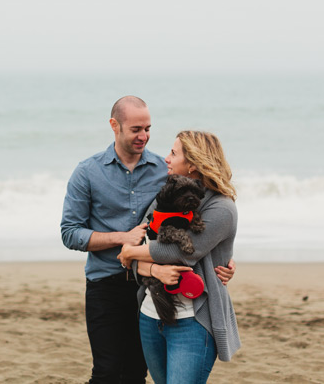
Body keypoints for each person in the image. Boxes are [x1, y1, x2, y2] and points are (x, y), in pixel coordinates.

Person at [60, 97, 235, 384]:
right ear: (114, 126)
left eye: (148, 128)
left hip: (149, 289)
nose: (143, 136)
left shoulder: (164, 171)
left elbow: (196, 225)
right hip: (106, 284)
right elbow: (70, 233)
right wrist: (124, 241)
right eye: (136, 129)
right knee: (105, 372)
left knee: (134, 375)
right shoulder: (87, 172)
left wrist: (223, 258)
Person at [117, 130, 240, 384]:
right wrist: (152, 269)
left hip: (192, 323)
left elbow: (182, 253)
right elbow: (141, 242)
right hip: (151, 315)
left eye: (174, 153)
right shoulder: (166, 195)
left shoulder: (222, 208)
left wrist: (130, 253)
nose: (167, 158)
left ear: (193, 163)